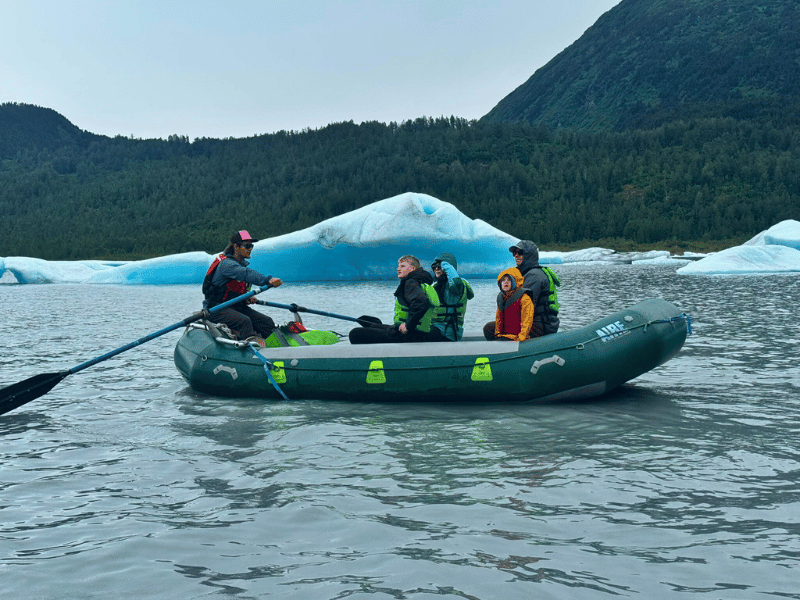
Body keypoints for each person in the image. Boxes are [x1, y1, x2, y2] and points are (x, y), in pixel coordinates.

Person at [202, 230, 283, 344]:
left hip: (234, 307)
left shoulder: (239, 264)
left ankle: (279, 347)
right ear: (236, 247)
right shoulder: (227, 265)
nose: (250, 249)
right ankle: (251, 351)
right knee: (244, 321)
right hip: (216, 309)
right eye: (247, 246)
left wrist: (244, 298)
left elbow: (234, 289)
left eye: (252, 246)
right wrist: (267, 280)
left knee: (267, 321)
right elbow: (246, 274)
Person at [349, 255, 446, 344]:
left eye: (403, 266)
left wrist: (408, 325)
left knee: (355, 334)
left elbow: (421, 303)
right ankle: (376, 324)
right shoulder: (420, 281)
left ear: (412, 268)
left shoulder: (410, 282)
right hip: (418, 332)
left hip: (412, 335)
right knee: (370, 325)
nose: (398, 269)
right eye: (398, 266)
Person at [482, 240, 560, 340]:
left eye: (520, 253)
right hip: (538, 322)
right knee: (493, 328)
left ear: (529, 255)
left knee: (489, 329)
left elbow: (522, 305)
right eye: (515, 253)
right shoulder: (526, 274)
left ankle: (508, 352)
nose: (516, 255)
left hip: (540, 326)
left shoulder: (534, 275)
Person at [430, 252, 474, 342]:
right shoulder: (436, 286)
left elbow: (455, 281)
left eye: (440, 267)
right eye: (435, 267)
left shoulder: (457, 287)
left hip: (448, 331)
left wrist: (444, 264)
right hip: (435, 327)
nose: (436, 269)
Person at [484, 268, 534, 341]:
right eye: (503, 280)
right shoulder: (502, 298)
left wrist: (521, 337)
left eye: (509, 280)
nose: (506, 282)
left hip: (516, 336)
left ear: (515, 282)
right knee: (488, 328)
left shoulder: (524, 299)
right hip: (505, 333)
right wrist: (498, 334)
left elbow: (527, 320)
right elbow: (498, 318)